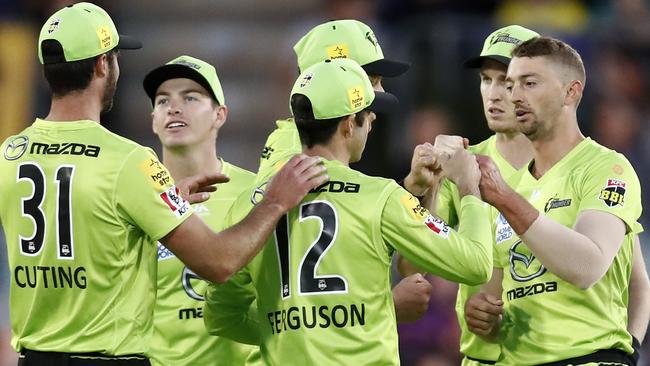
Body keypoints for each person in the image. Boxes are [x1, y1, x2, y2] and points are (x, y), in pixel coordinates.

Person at [0, 3, 326, 365]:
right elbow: (219, 263)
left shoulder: (10, 154)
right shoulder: (126, 160)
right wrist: (275, 202)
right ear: (102, 65)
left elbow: (76, 218)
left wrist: (154, 205)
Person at [203, 58, 494, 365]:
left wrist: (296, 333)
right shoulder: (378, 196)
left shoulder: (250, 205)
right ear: (347, 125)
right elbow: (474, 263)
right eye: (368, 115)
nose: (372, 122)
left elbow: (222, 317)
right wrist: (468, 186)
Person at [470, 36, 648, 365]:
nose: (515, 96)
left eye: (530, 83)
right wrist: (484, 317)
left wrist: (629, 349)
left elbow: (587, 266)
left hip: (588, 357)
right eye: (511, 85)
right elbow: (494, 303)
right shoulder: (512, 187)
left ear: (571, 92)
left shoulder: (607, 168)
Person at [259, 18, 433, 323]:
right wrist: (386, 307)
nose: (381, 90)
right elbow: (302, 261)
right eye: (374, 78)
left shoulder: (331, 143)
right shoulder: (294, 147)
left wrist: (411, 190)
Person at [400, 25, 539, 366]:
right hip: (482, 358)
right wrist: (425, 189)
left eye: (506, 81)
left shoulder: (577, 163)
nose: (493, 94)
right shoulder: (461, 164)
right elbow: (411, 266)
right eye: (485, 80)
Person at [142, 55, 261, 365]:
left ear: (220, 115)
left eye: (190, 97)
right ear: (153, 119)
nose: (174, 108)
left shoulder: (257, 194)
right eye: (163, 100)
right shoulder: (135, 196)